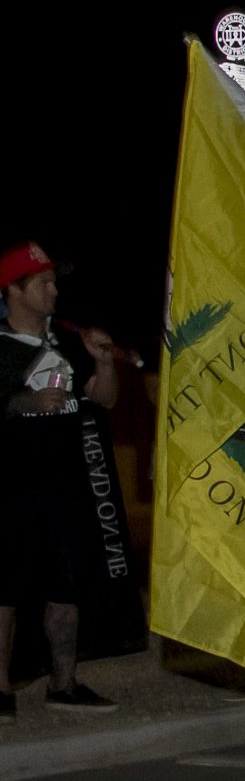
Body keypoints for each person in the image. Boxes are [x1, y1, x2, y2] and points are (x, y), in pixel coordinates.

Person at [1, 241, 119, 716]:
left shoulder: (68, 340)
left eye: (54, 281)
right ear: (13, 289)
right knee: (4, 589)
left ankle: (64, 684)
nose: (54, 290)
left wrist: (105, 362)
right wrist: (21, 404)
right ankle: (1, 689)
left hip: (67, 485)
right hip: (10, 487)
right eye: (43, 282)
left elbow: (105, 400)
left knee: (66, 586)